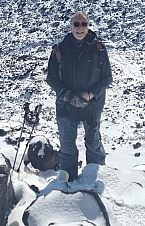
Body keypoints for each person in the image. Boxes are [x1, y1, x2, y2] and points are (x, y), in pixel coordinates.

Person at [46, 11, 113, 181]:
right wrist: (67, 95)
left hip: (92, 106)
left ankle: (95, 180)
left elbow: (107, 78)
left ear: (88, 26)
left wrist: (91, 94)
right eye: (76, 24)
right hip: (66, 106)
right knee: (67, 147)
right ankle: (67, 183)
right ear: (70, 26)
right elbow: (51, 78)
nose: (80, 28)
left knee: (93, 144)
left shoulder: (98, 49)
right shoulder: (59, 50)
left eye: (83, 24)